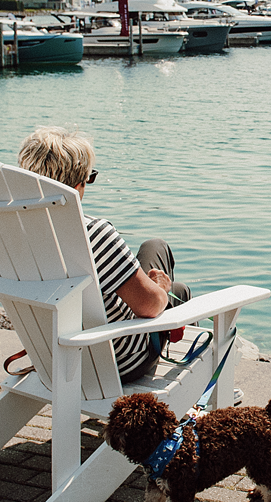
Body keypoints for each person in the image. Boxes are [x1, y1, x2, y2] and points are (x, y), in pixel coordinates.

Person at [17, 125, 190, 382]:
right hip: (118, 362)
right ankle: (198, 385)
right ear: (77, 185)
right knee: (178, 289)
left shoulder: (11, 232)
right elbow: (150, 306)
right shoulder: (92, 233)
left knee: (154, 246)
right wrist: (161, 289)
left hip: (52, 359)